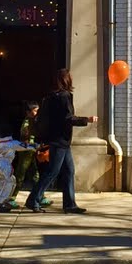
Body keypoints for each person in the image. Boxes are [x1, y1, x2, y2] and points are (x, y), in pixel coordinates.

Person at [25, 70, 96, 215]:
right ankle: (33, 199)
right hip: (60, 140)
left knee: (69, 171)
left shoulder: (50, 97)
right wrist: (86, 120)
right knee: (52, 171)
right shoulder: (64, 96)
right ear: (66, 80)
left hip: (57, 140)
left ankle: (70, 204)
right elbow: (68, 118)